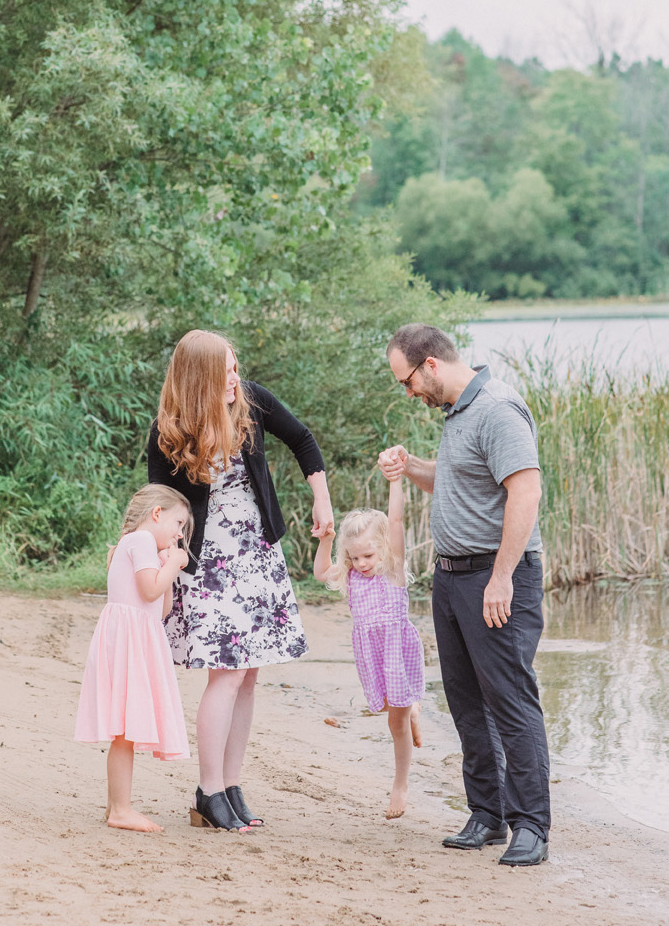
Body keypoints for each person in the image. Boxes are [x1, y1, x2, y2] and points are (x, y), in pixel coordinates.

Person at [377, 323, 550, 867]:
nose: (408, 394)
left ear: (430, 365)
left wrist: (501, 577)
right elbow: (456, 483)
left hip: (495, 578)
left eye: (407, 381)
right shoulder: (458, 413)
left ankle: (531, 826)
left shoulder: (498, 408)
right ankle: (487, 814)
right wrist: (412, 468)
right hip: (451, 579)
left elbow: (525, 491)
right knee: (466, 700)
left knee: (510, 699)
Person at [148, 328, 334, 832]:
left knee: (249, 675)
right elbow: (157, 508)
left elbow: (303, 438)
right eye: (226, 370)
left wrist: (322, 498)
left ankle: (231, 785)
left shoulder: (249, 402)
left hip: (257, 555)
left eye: (235, 366)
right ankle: (208, 792)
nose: (236, 377)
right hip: (208, 563)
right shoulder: (168, 430)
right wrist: (162, 571)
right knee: (226, 675)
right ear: (199, 378)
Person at [74, 484, 193, 833]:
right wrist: (173, 562)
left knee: (124, 729)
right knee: (124, 729)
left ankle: (116, 805)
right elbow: (149, 590)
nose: (179, 534)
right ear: (157, 514)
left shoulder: (141, 548)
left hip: (137, 637)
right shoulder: (140, 541)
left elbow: (163, 606)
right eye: (178, 524)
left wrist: (167, 566)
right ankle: (121, 810)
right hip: (129, 640)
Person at [313, 475, 425, 819]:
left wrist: (395, 481)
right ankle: (412, 708)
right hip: (371, 654)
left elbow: (395, 521)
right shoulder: (350, 575)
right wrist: (327, 540)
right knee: (389, 710)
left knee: (396, 724)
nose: (362, 563)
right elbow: (320, 574)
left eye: (367, 555)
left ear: (384, 549)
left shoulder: (392, 569)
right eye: (355, 557)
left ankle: (400, 784)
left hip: (397, 649)